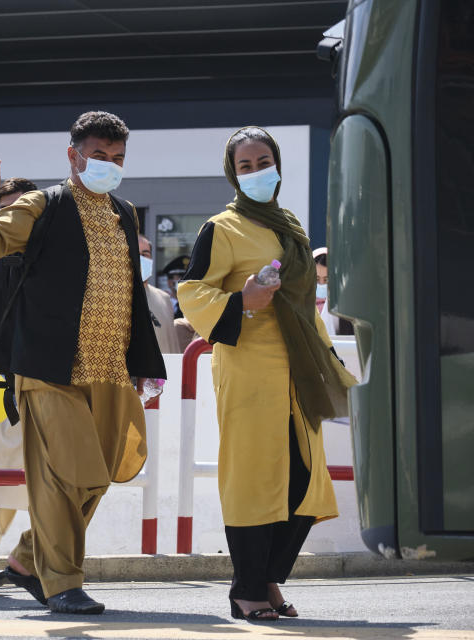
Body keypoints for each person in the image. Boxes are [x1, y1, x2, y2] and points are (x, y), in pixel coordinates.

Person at [0, 111, 166, 614]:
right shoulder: (41, 204)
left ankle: (29, 558)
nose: (109, 166)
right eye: (98, 157)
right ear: (73, 156)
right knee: (62, 476)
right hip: (50, 368)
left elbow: (130, 292)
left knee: (100, 474)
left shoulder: (125, 211)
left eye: (117, 158)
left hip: (110, 368)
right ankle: (63, 582)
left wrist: (142, 360)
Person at [177, 126, 356, 621]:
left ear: (278, 164)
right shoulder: (222, 227)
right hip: (250, 369)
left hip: (299, 372)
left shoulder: (289, 225)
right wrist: (242, 302)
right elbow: (192, 293)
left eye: (263, 162)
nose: (256, 172)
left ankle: (268, 579)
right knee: (256, 479)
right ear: (232, 174)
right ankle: (246, 589)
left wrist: (327, 358)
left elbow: (303, 305)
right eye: (245, 166)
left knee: (302, 479)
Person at [0, 178, 39, 553]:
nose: (14, 220)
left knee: (60, 483)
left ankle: (39, 560)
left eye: (22, 211)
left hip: (53, 384)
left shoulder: (56, 259)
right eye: (5, 212)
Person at [138, 235, 183, 354]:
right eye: (135, 253)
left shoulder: (164, 298)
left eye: (145, 254)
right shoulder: (114, 298)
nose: (140, 259)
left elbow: (172, 345)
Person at [312, 247, 354, 336]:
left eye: (326, 279)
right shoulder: (299, 305)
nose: (321, 284)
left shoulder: (348, 309)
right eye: (316, 279)